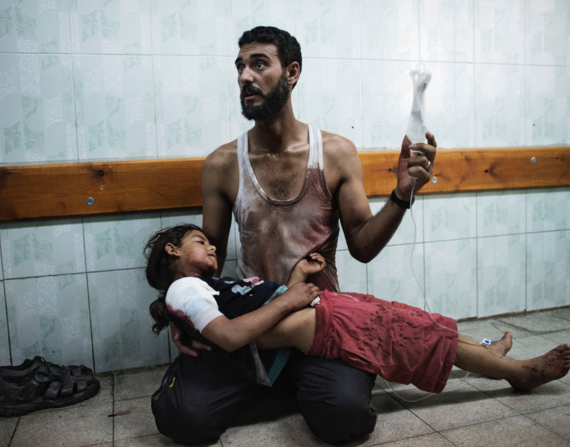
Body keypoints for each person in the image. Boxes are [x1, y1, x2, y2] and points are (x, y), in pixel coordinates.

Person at [164, 25, 439, 444]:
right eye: (240, 67)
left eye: (259, 64)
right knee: (181, 418)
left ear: (292, 72)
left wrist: (402, 194)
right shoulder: (222, 164)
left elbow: (363, 246)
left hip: (318, 319)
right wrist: (180, 313)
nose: (244, 77)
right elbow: (205, 266)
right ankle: (299, 388)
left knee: (345, 420)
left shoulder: (335, 153)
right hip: (253, 323)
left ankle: (307, 385)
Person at [147, 224, 570, 435]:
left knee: (411, 326)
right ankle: (517, 372)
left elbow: (259, 314)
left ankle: (489, 355)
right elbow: (233, 334)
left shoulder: (211, 287)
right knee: (405, 334)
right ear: (173, 250)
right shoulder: (187, 287)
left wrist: (295, 280)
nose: (214, 246)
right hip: (318, 321)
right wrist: (293, 297)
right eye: (201, 241)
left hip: (316, 316)